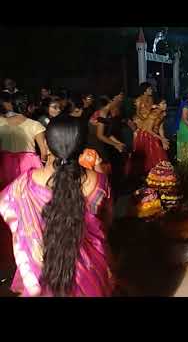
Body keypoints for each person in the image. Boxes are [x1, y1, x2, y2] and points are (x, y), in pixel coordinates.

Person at [0, 116, 114, 296]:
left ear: (45, 142)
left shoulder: (22, 186)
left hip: (42, 275)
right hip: (90, 274)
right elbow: (106, 223)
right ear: (83, 146)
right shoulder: (99, 181)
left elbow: (7, 209)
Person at [0, 102, 48, 190]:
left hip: (5, 163)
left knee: (5, 193)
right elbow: (44, 152)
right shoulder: (35, 125)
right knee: (28, 193)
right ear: (29, 108)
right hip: (29, 164)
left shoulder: (1, 122)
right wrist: (44, 161)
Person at [132, 97, 169, 175]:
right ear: (157, 105)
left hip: (154, 135)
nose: (165, 105)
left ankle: (158, 177)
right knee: (154, 157)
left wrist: (163, 140)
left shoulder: (163, 113)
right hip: (147, 136)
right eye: (163, 103)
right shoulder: (154, 113)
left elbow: (160, 128)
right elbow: (148, 130)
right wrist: (161, 138)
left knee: (159, 155)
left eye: (165, 103)